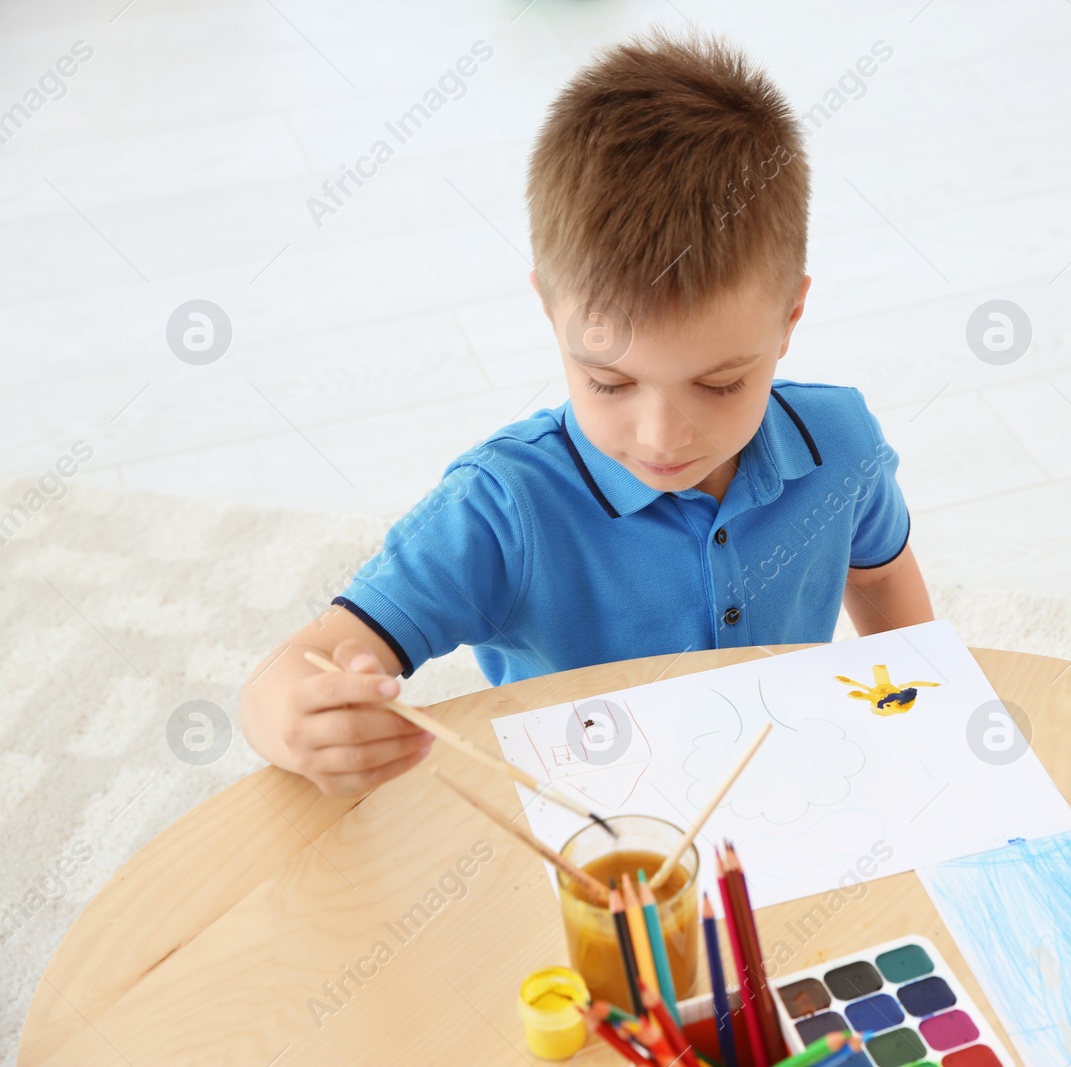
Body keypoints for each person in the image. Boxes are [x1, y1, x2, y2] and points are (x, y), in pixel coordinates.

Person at [241, 30, 932, 798]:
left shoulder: (840, 444)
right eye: (609, 383)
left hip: (792, 798)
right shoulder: (503, 506)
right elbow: (287, 677)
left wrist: (917, 719)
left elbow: (882, 581)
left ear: (790, 315)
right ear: (549, 308)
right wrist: (297, 719)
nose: (664, 437)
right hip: (589, 840)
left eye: (720, 385)